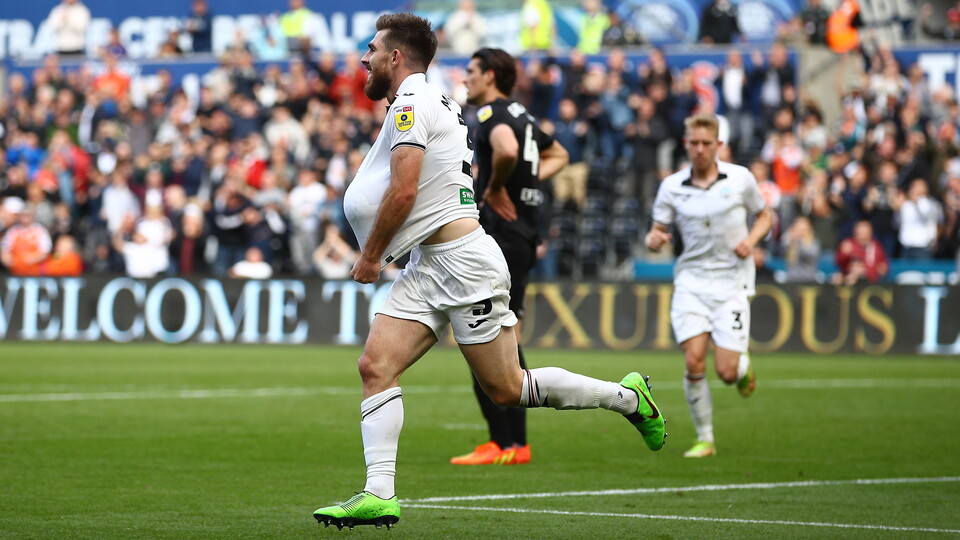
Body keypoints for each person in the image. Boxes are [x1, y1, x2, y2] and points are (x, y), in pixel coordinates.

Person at [313, 14, 666, 530]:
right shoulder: (427, 102)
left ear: (395, 57)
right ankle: (378, 493)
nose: (362, 58)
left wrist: (371, 255)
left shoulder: (414, 102)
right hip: (427, 263)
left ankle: (628, 398)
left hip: (463, 266)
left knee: (507, 389)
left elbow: (405, 189)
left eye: (371, 49)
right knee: (375, 367)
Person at [446, 48, 570, 466]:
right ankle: (509, 443)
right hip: (522, 234)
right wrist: (523, 184)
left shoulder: (490, 116)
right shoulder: (524, 114)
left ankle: (507, 442)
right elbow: (559, 156)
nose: (466, 79)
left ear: (491, 76)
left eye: (471, 72)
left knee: (487, 333)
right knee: (499, 331)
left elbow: (505, 151)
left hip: (502, 234)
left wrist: (498, 187)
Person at [645, 113, 771, 459]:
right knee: (694, 360)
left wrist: (753, 241)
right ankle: (705, 439)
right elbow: (656, 231)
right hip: (691, 281)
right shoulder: (671, 186)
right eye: (694, 143)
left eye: (706, 144)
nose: (699, 150)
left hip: (731, 282)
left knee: (726, 371)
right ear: (686, 144)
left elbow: (765, 216)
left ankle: (742, 370)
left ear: (718, 145)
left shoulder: (741, 178)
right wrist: (654, 239)